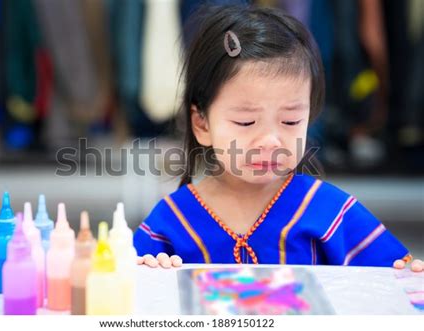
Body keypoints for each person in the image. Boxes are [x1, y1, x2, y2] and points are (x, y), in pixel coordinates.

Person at [133, 5, 423, 272]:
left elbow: (393, 288)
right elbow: (122, 294)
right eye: (246, 122)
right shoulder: (169, 223)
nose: (270, 140)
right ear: (202, 124)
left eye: (290, 121)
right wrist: (147, 275)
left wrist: (409, 276)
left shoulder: (330, 211)